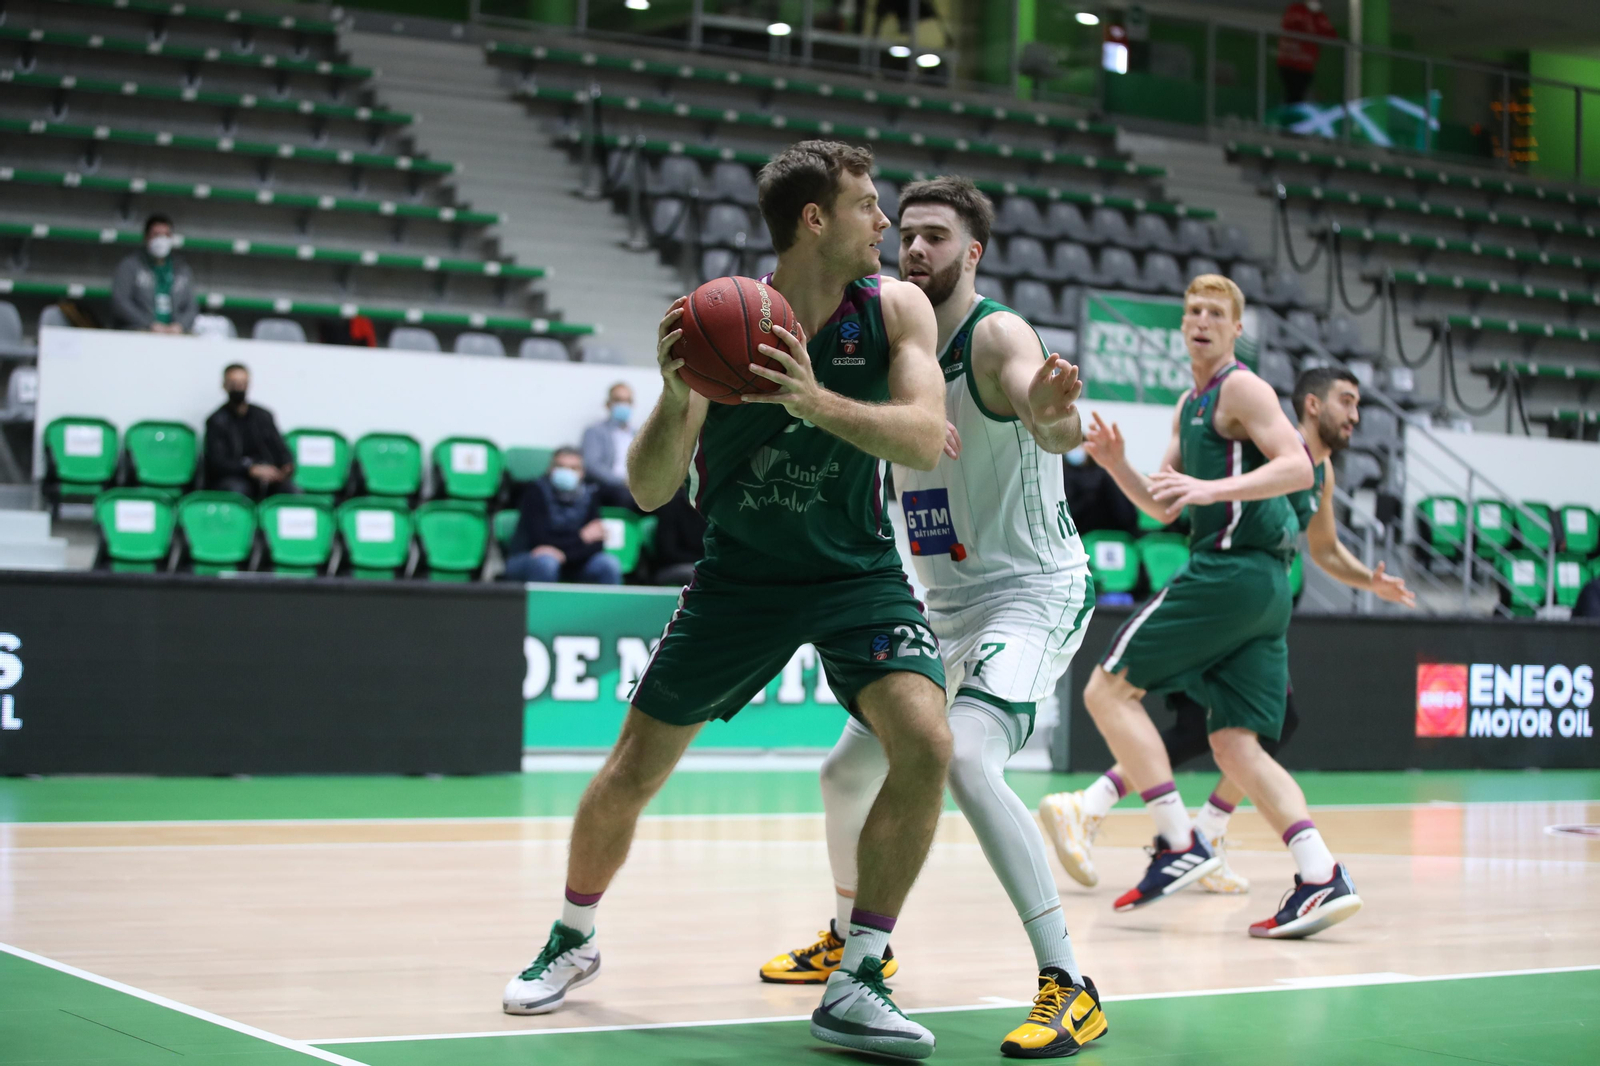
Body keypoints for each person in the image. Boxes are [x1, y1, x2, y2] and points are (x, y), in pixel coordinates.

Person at [501, 140, 953, 1061]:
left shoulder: (896, 308)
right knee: (631, 768)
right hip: (741, 575)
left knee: (927, 739)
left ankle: (860, 973)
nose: (887, 224)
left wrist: (814, 400)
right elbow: (649, 490)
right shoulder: (718, 319)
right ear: (815, 220)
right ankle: (572, 939)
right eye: (868, 206)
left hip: (856, 571)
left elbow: (921, 439)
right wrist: (676, 398)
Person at [759, 176, 1107, 1059]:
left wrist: (1055, 415)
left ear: (972, 252)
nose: (914, 249)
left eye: (936, 237)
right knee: (845, 774)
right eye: (906, 234)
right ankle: (855, 943)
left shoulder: (997, 335)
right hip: (938, 605)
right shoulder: (892, 337)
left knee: (970, 758)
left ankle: (1070, 984)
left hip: (1032, 592)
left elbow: (1044, 408)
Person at [1053, 275, 1363, 940]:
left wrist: (1214, 486)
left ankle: (1179, 840)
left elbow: (1298, 467)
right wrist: (1115, 464)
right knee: (1235, 744)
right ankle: (1319, 875)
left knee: (1107, 691)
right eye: (1192, 310)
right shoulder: (1187, 404)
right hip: (1262, 589)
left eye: (1216, 313)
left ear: (1235, 329)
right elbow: (1165, 505)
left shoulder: (1241, 389)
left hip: (1229, 571)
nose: (1201, 320)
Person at [1042, 365, 1416, 898]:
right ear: (1312, 405)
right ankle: (1154, 825)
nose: (1356, 415)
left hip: (1256, 609)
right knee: (1209, 726)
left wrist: (1367, 581)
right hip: (1225, 591)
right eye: (1347, 402)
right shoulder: (1261, 447)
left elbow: (1327, 549)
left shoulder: (1319, 472)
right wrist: (1137, 468)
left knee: (1243, 734)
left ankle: (1183, 833)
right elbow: (1167, 502)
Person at [501, 448, 621, 585]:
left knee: (609, 564)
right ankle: (543, 606)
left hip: (574, 561)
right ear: (550, 469)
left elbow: (596, 544)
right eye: (561, 467)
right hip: (529, 558)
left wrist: (564, 555)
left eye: (573, 468)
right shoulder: (535, 491)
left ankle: (605, 607)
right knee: (547, 562)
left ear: (582, 473)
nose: (567, 472)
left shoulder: (590, 495)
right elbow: (540, 539)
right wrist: (581, 537)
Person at [204, 364, 296, 499]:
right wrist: (250, 470)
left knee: (291, 490)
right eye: (233, 383)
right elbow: (216, 463)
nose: (238, 387)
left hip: (268, 478)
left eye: (242, 382)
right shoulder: (216, 421)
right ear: (224, 385)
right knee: (239, 489)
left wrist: (286, 467)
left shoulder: (263, 416)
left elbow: (281, 450)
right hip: (235, 478)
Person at [112, 214, 197, 333]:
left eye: (166, 235)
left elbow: (191, 307)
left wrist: (180, 325)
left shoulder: (182, 270)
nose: (161, 240)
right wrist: (148, 324)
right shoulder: (130, 266)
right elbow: (120, 303)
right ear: (146, 237)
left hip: (174, 334)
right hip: (138, 331)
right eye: (156, 235)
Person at [1062, 444, 1139, 537]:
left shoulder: (1107, 474)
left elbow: (1126, 515)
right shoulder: (1062, 476)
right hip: (1078, 536)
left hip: (1113, 534)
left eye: (1082, 444)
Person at [580, 382, 636, 502]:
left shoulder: (638, 434)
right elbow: (592, 466)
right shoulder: (594, 431)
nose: (623, 405)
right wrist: (624, 481)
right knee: (625, 496)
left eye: (627, 401)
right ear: (608, 404)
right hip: (608, 487)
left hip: (636, 487)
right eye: (618, 400)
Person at [1277, 1, 1336, 105]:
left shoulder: (1320, 16)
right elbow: (1290, 26)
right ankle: (1290, 118)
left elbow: (1331, 35)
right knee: (1293, 96)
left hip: (1306, 67)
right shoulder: (1295, 9)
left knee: (1298, 97)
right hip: (1289, 62)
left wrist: (1316, 16)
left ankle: (1295, 117)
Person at [647, 486, 705, 587]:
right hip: (670, 567)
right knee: (697, 574)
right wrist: (704, 562)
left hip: (702, 564)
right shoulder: (671, 506)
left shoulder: (711, 509)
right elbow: (668, 552)